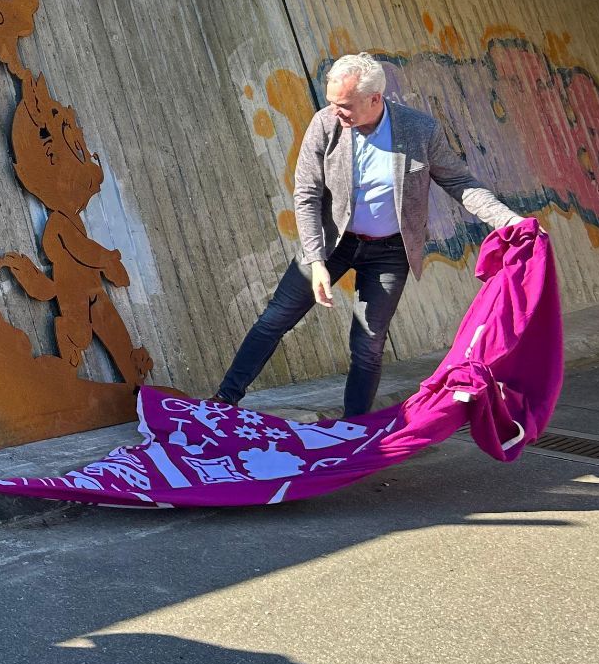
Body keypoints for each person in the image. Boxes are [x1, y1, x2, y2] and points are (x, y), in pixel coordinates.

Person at [213, 53, 523, 416]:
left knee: (368, 345)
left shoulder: (420, 131)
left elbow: (460, 183)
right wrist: (316, 261)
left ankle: (355, 427)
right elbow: (307, 194)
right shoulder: (325, 124)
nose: (335, 111)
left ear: (375, 98)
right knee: (275, 318)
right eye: (331, 102)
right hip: (332, 243)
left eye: (344, 105)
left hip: (389, 254)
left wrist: (510, 221)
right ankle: (223, 401)